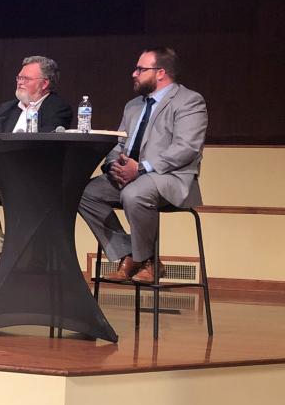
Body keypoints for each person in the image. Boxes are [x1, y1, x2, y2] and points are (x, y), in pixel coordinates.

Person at [78, 48, 207, 284]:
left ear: (161, 73)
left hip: (169, 176)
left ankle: (149, 261)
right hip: (131, 175)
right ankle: (130, 254)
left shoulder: (189, 101)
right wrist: (112, 166)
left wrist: (141, 167)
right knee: (84, 193)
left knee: (134, 193)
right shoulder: (133, 106)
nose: (134, 73)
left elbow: (186, 148)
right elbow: (119, 142)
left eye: (140, 69)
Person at [0, 56, 73, 277]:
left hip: (36, 179)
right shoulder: (4, 109)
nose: (19, 82)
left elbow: (48, 147)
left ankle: (29, 261)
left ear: (44, 83)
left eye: (26, 78)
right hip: (2, 175)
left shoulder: (57, 108)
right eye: (19, 77)